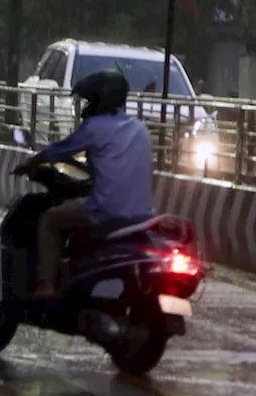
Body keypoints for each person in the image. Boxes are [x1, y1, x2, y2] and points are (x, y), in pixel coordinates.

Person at [13, 70, 154, 298]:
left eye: (90, 100)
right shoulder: (140, 128)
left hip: (106, 211)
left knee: (49, 220)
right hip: (142, 216)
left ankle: (46, 284)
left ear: (99, 100)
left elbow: (56, 151)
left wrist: (29, 164)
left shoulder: (95, 127)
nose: (87, 106)